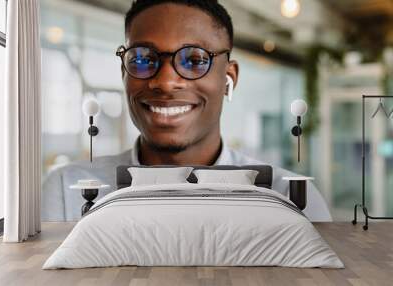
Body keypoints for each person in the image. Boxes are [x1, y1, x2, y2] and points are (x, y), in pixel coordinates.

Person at [42, 0, 331, 222]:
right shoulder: (67, 192)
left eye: (194, 60)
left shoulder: (290, 198)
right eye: (143, 59)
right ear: (124, 73)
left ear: (229, 78)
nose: (166, 82)